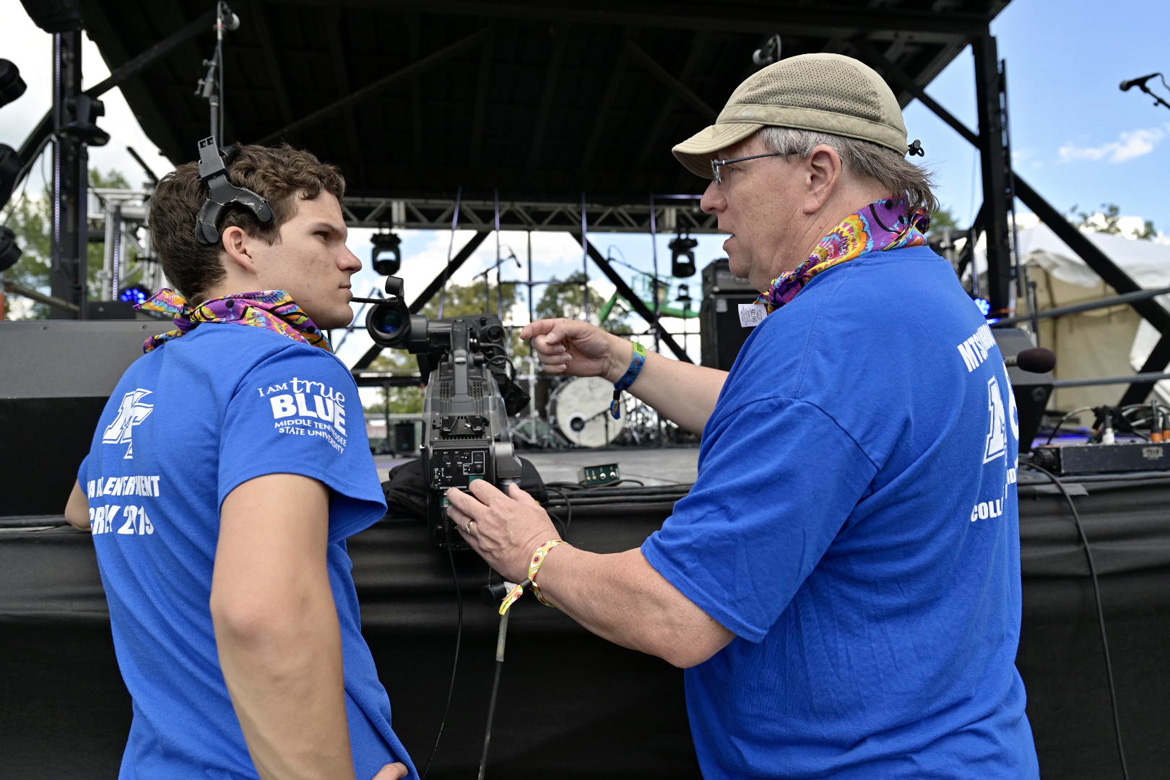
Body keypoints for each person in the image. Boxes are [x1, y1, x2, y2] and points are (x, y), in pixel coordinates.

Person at [445, 53, 1040, 779]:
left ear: (817, 174)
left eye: (727, 171)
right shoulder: (920, 289)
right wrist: (622, 362)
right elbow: (810, 422)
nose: (709, 201)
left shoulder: (825, 340)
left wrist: (536, 554)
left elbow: (677, 616)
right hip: (965, 745)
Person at [64, 143, 415, 780]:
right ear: (242, 244)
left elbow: (83, 509)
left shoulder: (144, 375)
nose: (351, 259)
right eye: (325, 235)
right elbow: (261, 611)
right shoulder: (287, 365)